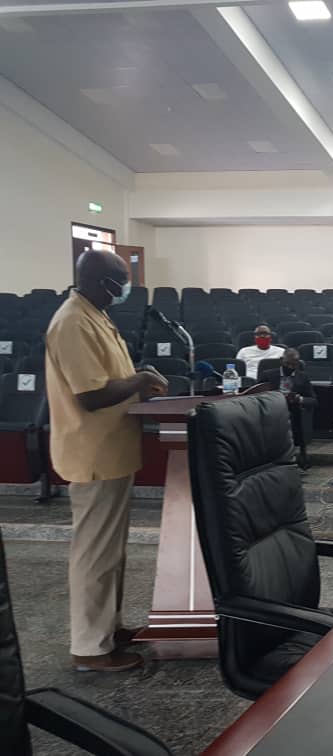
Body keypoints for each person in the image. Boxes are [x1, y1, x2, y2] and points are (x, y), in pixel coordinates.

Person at [45, 250, 169, 672]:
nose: (126, 288)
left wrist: (137, 384)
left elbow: (111, 382)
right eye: (122, 280)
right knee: (95, 552)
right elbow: (91, 395)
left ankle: (107, 629)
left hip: (111, 451)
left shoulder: (94, 314)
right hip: (92, 452)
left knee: (110, 551)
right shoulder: (72, 322)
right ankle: (90, 649)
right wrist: (141, 378)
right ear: (103, 282)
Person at [261, 348, 317, 468]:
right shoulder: (268, 375)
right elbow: (257, 395)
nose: (291, 367)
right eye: (288, 363)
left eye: (294, 364)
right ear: (281, 360)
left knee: (290, 417)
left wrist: (299, 399)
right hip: (271, 409)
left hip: (293, 410)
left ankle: (294, 458)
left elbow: (313, 400)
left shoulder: (302, 377)